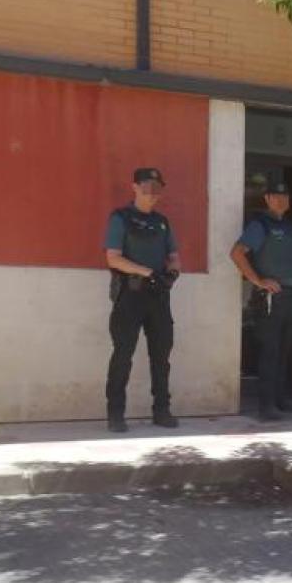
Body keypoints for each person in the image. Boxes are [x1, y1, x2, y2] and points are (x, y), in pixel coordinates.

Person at [103, 167, 181, 433]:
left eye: (157, 187)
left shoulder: (162, 222)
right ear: (135, 187)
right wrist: (147, 273)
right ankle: (115, 414)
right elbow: (113, 257)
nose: (152, 192)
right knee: (123, 355)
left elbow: (174, 256)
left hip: (158, 296)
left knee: (161, 356)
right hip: (131, 295)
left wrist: (172, 273)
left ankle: (162, 410)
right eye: (147, 186)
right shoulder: (121, 218)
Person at [230, 178, 292, 421]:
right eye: (275, 196)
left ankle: (280, 399)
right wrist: (258, 280)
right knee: (269, 351)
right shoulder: (260, 225)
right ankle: (266, 406)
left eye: (284, 196)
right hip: (269, 298)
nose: (280, 200)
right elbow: (237, 253)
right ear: (267, 199)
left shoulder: (290, 228)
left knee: (284, 350)